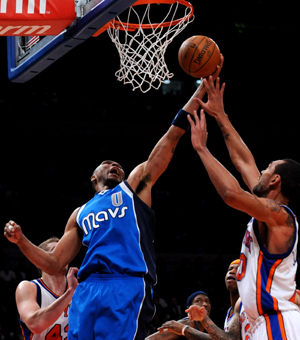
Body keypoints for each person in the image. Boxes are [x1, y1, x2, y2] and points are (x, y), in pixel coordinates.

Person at [3, 55, 224, 340]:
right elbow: (55, 263)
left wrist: (199, 90)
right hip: (88, 288)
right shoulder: (80, 212)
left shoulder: (134, 187)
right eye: (107, 163)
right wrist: (21, 240)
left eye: (117, 164)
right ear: (93, 178)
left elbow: (170, 138)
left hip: (126, 284)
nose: (114, 165)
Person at [187, 76, 300, 339]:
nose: (260, 170)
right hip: (260, 323)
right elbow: (244, 161)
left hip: (278, 322)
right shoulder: (267, 210)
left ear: (275, 180)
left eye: (268, 168)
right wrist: (220, 115)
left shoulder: (281, 219)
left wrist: (202, 149)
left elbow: (231, 194)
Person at [158, 260, 251, 340]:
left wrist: (184, 329)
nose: (232, 271)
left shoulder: (248, 303)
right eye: (230, 269)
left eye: (238, 269)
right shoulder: (231, 311)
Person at [16, 237, 78, 339]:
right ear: (41, 260)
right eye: (55, 251)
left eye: (64, 251)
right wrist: (70, 292)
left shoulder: (78, 289)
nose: (62, 256)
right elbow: (36, 325)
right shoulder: (29, 288)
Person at [146, 291, 212, 339]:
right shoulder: (186, 323)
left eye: (207, 301)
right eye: (198, 301)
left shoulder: (207, 327)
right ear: (189, 308)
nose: (205, 304)